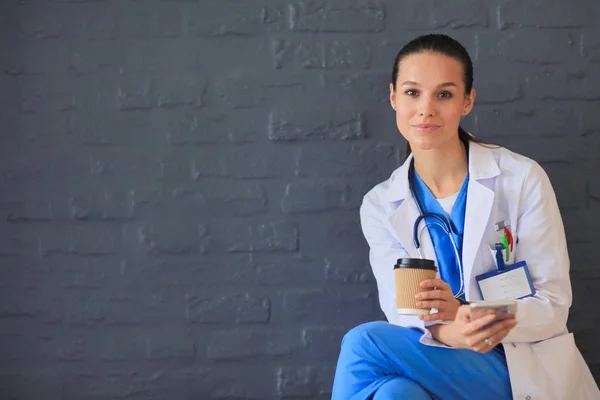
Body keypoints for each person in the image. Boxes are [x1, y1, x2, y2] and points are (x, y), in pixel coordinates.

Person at [331, 34, 600, 400]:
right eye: (412, 93)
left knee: (362, 343)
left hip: (518, 366)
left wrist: (468, 314)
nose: (425, 109)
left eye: (444, 94)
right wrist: (447, 331)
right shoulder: (381, 204)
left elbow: (553, 306)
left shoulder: (521, 179)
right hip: (437, 355)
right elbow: (401, 311)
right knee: (395, 394)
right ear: (393, 97)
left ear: (467, 101)